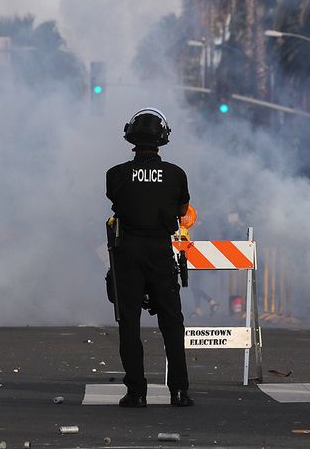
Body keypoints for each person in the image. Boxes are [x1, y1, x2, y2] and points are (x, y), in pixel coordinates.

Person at [106, 108, 194, 408]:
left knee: (129, 322)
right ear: (162, 139)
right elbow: (182, 212)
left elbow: (117, 201)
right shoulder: (176, 174)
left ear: (131, 136)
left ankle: (136, 392)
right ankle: (179, 391)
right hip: (159, 250)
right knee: (172, 321)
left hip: (127, 251)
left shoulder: (115, 174)